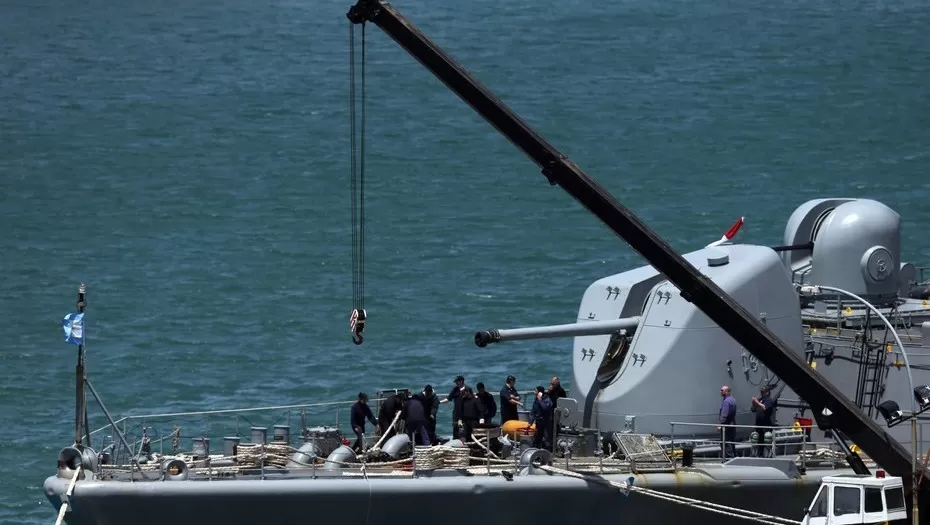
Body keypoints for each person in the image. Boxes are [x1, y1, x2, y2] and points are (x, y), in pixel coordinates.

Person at [750, 385, 775, 457]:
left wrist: (757, 403)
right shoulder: (760, 399)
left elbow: (765, 407)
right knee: (759, 441)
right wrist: (754, 403)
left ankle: (768, 455)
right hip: (759, 425)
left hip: (765, 425)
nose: (761, 393)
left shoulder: (768, 400)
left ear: (767, 392)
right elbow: (753, 409)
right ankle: (760, 455)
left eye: (763, 391)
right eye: (761, 391)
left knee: (766, 441)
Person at [528, 386, 554, 451]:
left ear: (540, 392)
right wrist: (530, 422)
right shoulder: (536, 400)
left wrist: (540, 400)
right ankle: (537, 451)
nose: (534, 392)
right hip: (539, 421)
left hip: (546, 422)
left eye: (535, 391)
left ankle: (548, 453)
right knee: (537, 438)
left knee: (547, 438)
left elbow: (545, 408)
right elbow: (533, 411)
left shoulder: (547, 399)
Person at [718, 385, 737, 458]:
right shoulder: (733, 400)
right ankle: (733, 456)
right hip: (732, 424)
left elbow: (724, 414)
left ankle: (729, 458)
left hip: (726, 425)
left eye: (722, 390)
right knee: (731, 441)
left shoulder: (726, 401)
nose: (720, 392)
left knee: (725, 442)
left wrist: (721, 424)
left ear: (726, 391)